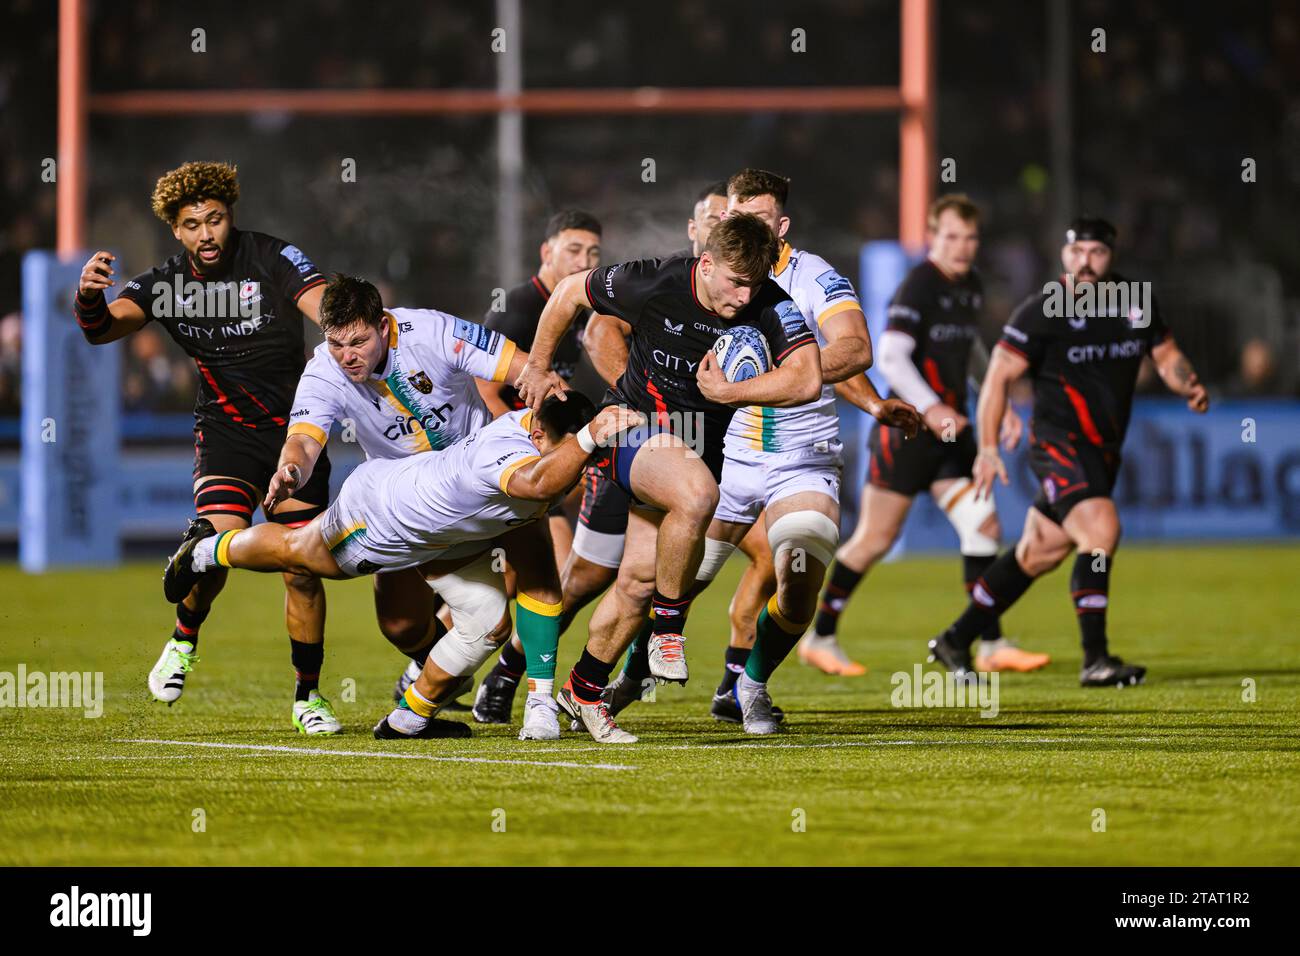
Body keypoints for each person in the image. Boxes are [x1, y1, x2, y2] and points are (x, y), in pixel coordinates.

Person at [163, 394, 644, 740]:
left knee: (485, 621)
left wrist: (539, 704)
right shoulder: (515, 456)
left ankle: (409, 718)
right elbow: (539, 484)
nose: (585, 467)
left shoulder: (550, 444)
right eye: (579, 453)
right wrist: (585, 438)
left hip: (447, 537)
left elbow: (541, 584)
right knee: (298, 552)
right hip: (386, 517)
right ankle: (207, 550)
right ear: (539, 435)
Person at [514, 212, 822, 743]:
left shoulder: (770, 303)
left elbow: (808, 379)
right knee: (699, 495)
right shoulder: (654, 279)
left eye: (755, 284)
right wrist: (537, 366)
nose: (744, 297)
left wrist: (732, 394)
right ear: (706, 264)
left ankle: (583, 692)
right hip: (634, 427)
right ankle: (669, 631)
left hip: (700, 443)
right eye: (734, 282)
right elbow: (566, 293)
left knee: (636, 582)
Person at [75, 161, 339, 734]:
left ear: (230, 216)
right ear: (176, 229)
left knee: (301, 566)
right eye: (192, 224)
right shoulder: (167, 284)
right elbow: (102, 329)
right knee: (215, 545)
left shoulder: (272, 257)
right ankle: (184, 639)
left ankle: (308, 697)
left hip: (296, 432)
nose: (206, 234)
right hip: (224, 433)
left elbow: (324, 305)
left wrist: (346, 328)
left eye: (215, 220)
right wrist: (89, 299)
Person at [926, 217, 1210, 687]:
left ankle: (955, 639)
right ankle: (1095, 659)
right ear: (1065, 255)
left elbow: (1165, 353)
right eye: (1078, 252)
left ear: (1111, 256)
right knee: (1101, 530)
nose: (1086, 262)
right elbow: (997, 377)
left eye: (1097, 253)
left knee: (1038, 553)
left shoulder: (1134, 303)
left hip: (1103, 451)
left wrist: (1190, 383)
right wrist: (990, 446)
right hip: (1058, 445)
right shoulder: (1042, 312)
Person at [809, 194, 1051, 677]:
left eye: (970, 238)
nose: (962, 247)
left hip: (950, 431)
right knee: (875, 539)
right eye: (951, 237)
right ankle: (821, 635)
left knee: (983, 526)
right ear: (934, 237)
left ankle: (989, 643)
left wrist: (994, 397)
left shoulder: (971, 285)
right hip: (910, 431)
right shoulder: (919, 285)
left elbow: (973, 348)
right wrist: (933, 405)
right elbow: (894, 358)